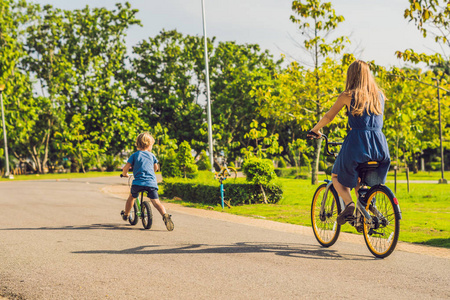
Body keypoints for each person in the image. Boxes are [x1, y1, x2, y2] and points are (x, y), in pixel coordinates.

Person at [307, 60, 390, 225]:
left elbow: (328, 116)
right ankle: (362, 217)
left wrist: (315, 130)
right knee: (362, 181)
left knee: (336, 176)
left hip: (357, 143)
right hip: (379, 145)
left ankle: (350, 204)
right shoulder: (379, 95)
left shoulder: (348, 95)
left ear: (351, 75)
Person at [121, 132, 174, 231]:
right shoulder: (151, 155)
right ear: (149, 145)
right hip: (151, 183)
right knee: (156, 202)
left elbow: (126, 168)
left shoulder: (134, 155)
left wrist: (125, 174)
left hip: (138, 183)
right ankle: (165, 215)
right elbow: (156, 167)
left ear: (138, 144)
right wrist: (151, 173)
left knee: (131, 198)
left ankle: (126, 214)